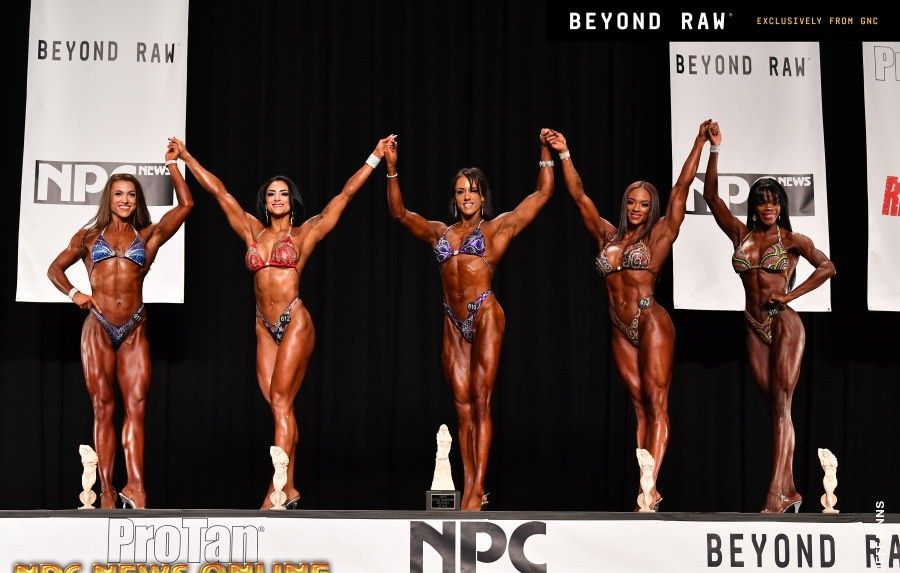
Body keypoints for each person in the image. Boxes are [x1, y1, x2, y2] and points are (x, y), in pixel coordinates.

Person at [171, 134, 394, 509]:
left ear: (292, 201)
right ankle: (289, 488)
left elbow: (345, 195)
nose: (277, 198)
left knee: (280, 401)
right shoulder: (251, 230)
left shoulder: (306, 232)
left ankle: (274, 491)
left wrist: (374, 157)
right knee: (280, 408)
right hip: (263, 325)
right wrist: (186, 157)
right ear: (265, 201)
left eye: (283, 194)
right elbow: (219, 193)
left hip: (294, 321)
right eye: (272, 194)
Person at [545, 121, 712, 511]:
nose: (637, 209)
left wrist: (699, 142)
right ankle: (644, 484)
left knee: (657, 403)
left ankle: (650, 491)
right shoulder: (608, 236)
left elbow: (681, 188)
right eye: (632, 203)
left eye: (644, 204)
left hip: (650, 320)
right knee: (639, 408)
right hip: (620, 327)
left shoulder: (660, 234)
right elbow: (578, 195)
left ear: (652, 208)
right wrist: (564, 153)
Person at [383, 131, 554, 510]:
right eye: (460, 191)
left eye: (473, 191)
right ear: (454, 197)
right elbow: (399, 213)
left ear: (482, 197)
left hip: (485, 313)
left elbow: (542, 195)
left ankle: (477, 489)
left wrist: (545, 151)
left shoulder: (496, 229)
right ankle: (468, 483)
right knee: (461, 407)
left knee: (480, 400)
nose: (466, 197)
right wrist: (392, 169)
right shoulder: (439, 233)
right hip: (453, 320)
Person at [48, 139, 194, 509]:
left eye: (131, 195)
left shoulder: (148, 236)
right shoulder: (87, 238)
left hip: (134, 326)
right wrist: (75, 294)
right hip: (98, 326)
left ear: (137, 200)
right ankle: (107, 492)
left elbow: (186, 205)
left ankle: (136, 488)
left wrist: (173, 165)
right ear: (109, 199)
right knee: (103, 408)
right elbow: (54, 269)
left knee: (137, 406)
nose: (125, 200)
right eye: (118, 194)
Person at [702, 121, 836, 513]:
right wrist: (714, 149)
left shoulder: (792, 241)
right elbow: (710, 196)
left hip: (784, 323)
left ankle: (776, 494)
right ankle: (790, 490)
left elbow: (828, 267)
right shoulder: (741, 235)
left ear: (781, 206)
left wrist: (790, 295)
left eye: (774, 201)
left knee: (781, 403)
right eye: (762, 202)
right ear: (755, 206)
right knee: (777, 409)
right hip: (752, 325)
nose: (768, 207)